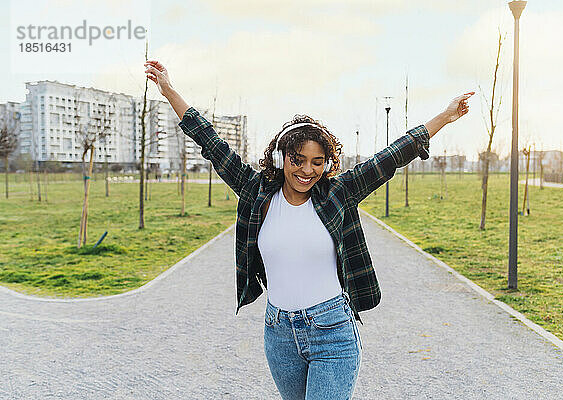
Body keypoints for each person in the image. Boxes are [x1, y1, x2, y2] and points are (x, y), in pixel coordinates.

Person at [145, 60, 473, 399]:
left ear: (328, 164)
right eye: (297, 159)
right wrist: (169, 91)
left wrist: (444, 117)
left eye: (318, 162)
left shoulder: (338, 193)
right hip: (279, 334)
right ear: (279, 158)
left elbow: (392, 155)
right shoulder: (256, 191)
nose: (307, 170)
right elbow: (211, 142)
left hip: (332, 330)